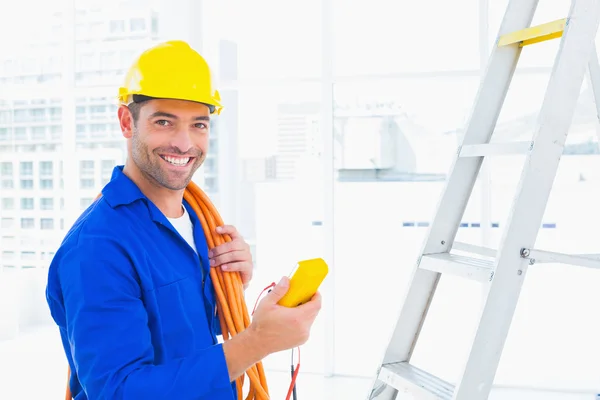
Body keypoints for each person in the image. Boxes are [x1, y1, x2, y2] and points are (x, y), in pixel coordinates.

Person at [45, 40, 322, 400]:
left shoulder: (196, 223)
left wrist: (233, 292)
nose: (184, 143)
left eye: (199, 125)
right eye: (164, 121)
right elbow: (118, 391)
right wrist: (256, 342)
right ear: (127, 121)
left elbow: (180, 333)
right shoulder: (97, 248)